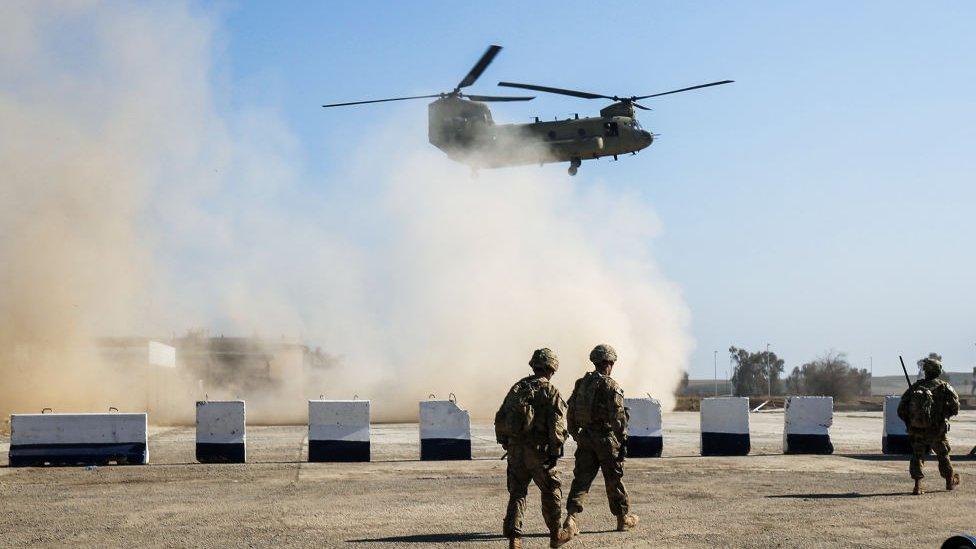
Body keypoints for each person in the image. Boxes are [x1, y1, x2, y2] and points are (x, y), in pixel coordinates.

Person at [495, 348, 573, 549]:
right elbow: (558, 427)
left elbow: (501, 416)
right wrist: (555, 451)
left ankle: (515, 538)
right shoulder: (550, 391)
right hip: (538, 453)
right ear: (552, 368)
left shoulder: (518, 388)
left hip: (515, 451)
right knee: (551, 491)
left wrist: (507, 442)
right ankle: (556, 535)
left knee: (518, 492)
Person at [562, 344, 639, 539]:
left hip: (586, 438)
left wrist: (576, 434)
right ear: (609, 363)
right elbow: (618, 417)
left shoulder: (581, 383)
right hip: (605, 439)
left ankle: (570, 519)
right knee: (614, 480)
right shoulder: (610, 385)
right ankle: (622, 519)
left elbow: (570, 412)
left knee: (581, 480)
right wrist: (622, 440)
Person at [897, 354, 961, 495]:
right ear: (938, 370)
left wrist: (911, 422)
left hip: (917, 429)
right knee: (943, 454)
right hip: (937, 430)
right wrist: (944, 415)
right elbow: (955, 408)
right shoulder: (945, 387)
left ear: (926, 370)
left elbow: (901, 410)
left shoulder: (915, 387)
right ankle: (949, 481)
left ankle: (917, 485)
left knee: (917, 455)